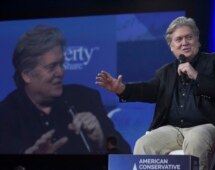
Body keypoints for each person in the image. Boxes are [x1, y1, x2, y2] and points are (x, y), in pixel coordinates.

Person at [96, 16, 215, 170]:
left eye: (189, 37)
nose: (184, 42)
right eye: (178, 39)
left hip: (208, 126)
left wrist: (197, 76)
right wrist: (121, 89)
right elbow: (149, 90)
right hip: (173, 129)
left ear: (197, 41)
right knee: (143, 144)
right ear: (171, 47)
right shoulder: (165, 72)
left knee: (196, 138)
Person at [0, 25, 131, 155]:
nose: (60, 72)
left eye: (61, 64)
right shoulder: (6, 116)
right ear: (26, 75)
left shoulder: (85, 99)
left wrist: (101, 139)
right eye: (51, 67)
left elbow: (126, 156)